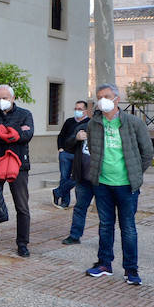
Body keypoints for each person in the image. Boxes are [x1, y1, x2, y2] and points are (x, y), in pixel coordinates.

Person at [83, 84, 154, 284]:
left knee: (128, 227)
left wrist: (135, 174)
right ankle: (104, 263)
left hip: (126, 185)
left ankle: (131, 270)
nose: (102, 99)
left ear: (117, 99)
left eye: (106, 96)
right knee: (105, 225)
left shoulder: (133, 122)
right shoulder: (93, 124)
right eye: (99, 96)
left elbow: (147, 152)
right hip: (102, 183)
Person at [0, 84, 34, 256]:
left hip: (19, 165)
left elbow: (27, 135)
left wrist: (3, 133)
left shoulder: (25, 114)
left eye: (5, 98)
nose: (2, 101)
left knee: (22, 206)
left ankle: (23, 243)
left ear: (13, 98)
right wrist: (14, 133)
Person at [60, 101, 93, 245]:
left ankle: (105, 241)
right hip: (83, 176)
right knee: (80, 207)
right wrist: (76, 138)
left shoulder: (110, 131)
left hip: (102, 178)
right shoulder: (83, 128)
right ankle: (75, 235)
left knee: (106, 214)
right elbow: (67, 143)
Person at [53, 100, 89, 209]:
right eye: (76, 109)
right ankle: (65, 202)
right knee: (64, 177)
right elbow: (61, 136)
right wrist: (60, 149)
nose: (77, 111)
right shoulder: (69, 121)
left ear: (85, 111)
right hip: (65, 154)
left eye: (80, 109)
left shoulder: (89, 123)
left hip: (79, 156)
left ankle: (58, 191)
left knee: (77, 178)